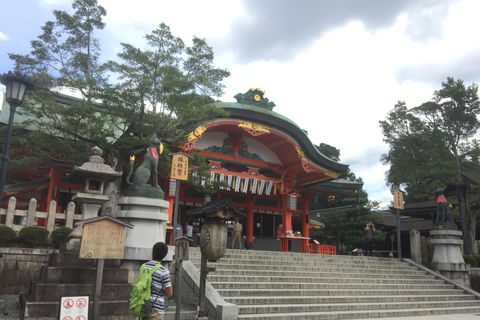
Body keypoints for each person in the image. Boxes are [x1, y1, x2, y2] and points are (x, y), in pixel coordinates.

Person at [143, 242, 173, 320]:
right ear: (164, 256)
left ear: (152, 253)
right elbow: (170, 293)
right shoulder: (163, 271)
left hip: (143, 304)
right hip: (156, 308)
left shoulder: (143, 267)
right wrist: (162, 291)